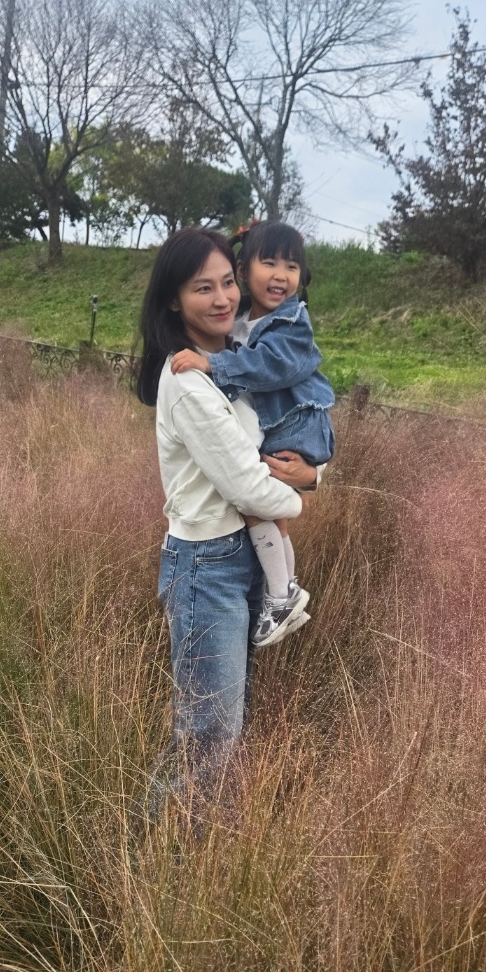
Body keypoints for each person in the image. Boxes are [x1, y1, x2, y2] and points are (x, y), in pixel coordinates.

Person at [137, 227, 318, 816]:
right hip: (206, 568)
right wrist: (299, 499)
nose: (222, 299)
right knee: (207, 737)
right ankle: (155, 849)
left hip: (239, 557)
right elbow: (246, 485)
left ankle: (198, 843)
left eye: (227, 283)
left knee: (222, 728)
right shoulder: (188, 381)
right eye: (202, 288)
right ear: (173, 300)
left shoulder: (232, 365)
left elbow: (284, 440)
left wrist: (312, 475)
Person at [171, 221, 335, 647]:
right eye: (270, 263)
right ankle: (285, 591)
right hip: (282, 423)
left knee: (258, 510)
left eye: (292, 267)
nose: (281, 276)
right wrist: (311, 480)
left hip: (296, 422)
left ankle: (281, 594)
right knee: (271, 516)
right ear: (246, 270)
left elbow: (267, 367)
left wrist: (213, 364)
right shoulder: (243, 317)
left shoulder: (291, 322)